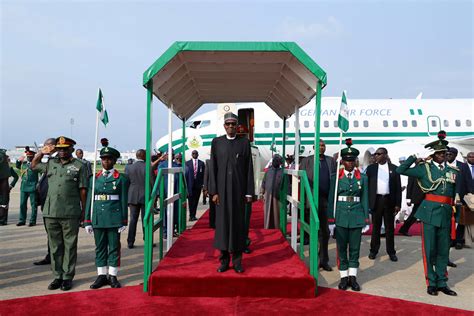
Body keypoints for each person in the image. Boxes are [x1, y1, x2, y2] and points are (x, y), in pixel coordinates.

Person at [396, 130, 459, 296]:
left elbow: (453, 194)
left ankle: (442, 282)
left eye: (444, 153)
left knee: (443, 250)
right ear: (433, 154)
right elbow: (400, 170)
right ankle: (431, 282)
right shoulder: (424, 169)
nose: (442, 156)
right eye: (438, 153)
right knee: (430, 250)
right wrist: (414, 157)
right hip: (430, 213)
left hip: (445, 214)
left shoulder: (452, 170)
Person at [31, 136, 88, 291]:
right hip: (51, 212)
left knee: (70, 246)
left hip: (70, 212)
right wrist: (42, 152)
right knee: (55, 246)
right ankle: (57, 276)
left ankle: (68, 277)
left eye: (65, 149)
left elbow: (83, 190)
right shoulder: (51, 163)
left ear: (71, 149)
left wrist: (84, 210)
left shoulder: (80, 165)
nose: (62, 152)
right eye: (59, 148)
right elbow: (34, 165)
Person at [209, 112, 254, 273]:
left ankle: (237, 262)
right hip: (221, 193)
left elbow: (249, 169)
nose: (230, 127)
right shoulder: (217, 142)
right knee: (222, 227)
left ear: (237, 126)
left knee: (238, 227)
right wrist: (213, 191)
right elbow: (212, 168)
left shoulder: (244, 143)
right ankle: (223, 261)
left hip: (238, 193)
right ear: (224, 126)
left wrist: (249, 192)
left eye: (233, 124)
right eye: (227, 124)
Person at [84, 146, 128, 289]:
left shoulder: (121, 179)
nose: (106, 162)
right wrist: (87, 220)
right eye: (103, 159)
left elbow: (123, 200)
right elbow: (90, 200)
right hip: (98, 217)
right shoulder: (94, 179)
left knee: (114, 247)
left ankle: (113, 275)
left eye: (109, 159)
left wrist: (124, 220)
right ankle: (101, 275)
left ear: (114, 161)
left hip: (114, 218)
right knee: (100, 247)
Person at [328, 138, 369, 291]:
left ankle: (353, 278)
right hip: (341, 216)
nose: (350, 163)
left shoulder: (363, 178)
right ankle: (343, 277)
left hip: (357, 216)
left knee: (355, 249)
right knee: (341, 248)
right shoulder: (336, 178)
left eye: (352, 161)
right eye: (347, 161)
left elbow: (365, 198)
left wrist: (366, 219)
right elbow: (332, 198)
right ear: (343, 162)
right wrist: (331, 220)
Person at [299, 139, 336, 271]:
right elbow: (301, 181)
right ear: (314, 147)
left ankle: (324, 260)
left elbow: (335, 180)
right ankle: (313, 260)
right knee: (313, 232)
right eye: (319, 146)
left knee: (325, 232)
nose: (321, 148)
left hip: (326, 201)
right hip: (311, 201)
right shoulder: (306, 161)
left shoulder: (331, 161)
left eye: (323, 145)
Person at [366, 147, 402, 262]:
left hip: (389, 201)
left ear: (385, 155)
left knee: (389, 228)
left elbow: (397, 188)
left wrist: (398, 204)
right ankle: (373, 250)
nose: (375, 156)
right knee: (375, 228)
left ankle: (391, 252)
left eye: (378, 154)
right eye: (375, 154)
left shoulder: (394, 168)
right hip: (376, 201)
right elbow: (366, 187)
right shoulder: (371, 169)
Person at [33, 138, 56, 265]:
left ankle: (56, 256)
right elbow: (34, 165)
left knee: (56, 233)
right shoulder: (50, 160)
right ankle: (51, 255)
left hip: (56, 204)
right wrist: (41, 153)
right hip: (46, 203)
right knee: (50, 232)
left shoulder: (57, 160)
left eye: (47, 146)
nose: (45, 148)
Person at [125, 149, 147, 249]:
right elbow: (151, 183)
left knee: (133, 220)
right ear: (143, 156)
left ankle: (130, 241)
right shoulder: (147, 167)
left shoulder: (129, 167)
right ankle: (147, 239)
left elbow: (127, 183)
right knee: (145, 219)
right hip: (145, 196)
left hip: (132, 196)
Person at [446, 147, 464, 249]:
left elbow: (465, 181)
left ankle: (458, 240)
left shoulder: (462, 166)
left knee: (459, 219)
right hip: (446, 199)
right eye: (447, 154)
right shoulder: (442, 165)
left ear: (455, 155)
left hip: (458, 198)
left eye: (450, 154)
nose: (448, 156)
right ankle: (449, 239)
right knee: (448, 219)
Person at [16, 147, 39, 226]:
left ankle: (32, 221)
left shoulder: (36, 164)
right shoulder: (24, 164)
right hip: (24, 187)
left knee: (33, 205)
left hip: (33, 186)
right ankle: (22, 220)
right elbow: (17, 165)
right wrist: (20, 158)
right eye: (28, 156)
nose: (29, 158)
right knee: (22, 204)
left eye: (30, 156)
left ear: (33, 156)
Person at [260, 154, 284, 229]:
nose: (275, 162)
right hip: (268, 195)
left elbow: (286, 185)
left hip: (278, 196)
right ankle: (267, 227)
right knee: (267, 211)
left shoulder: (282, 172)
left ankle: (276, 228)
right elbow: (264, 182)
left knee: (276, 212)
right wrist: (261, 192)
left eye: (277, 160)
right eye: (274, 160)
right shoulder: (268, 171)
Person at [185, 150, 205, 221]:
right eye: (193, 153)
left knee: (196, 201)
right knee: (190, 201)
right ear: (191, 154)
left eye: (196, 153)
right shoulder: (187, 163)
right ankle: (191, 215)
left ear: (198, 154)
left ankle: (194, 215)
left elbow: (203, 175)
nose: (194, 154)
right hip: (190, 185)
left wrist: (203, 184)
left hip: (198, 185)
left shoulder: (201, 163)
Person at [0, 151, 19, 225]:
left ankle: (3, 220)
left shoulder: (9, 168)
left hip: (5, 189)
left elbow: (16, 177)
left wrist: (11, 186)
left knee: (4, 204)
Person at [203, 158, 216, 228]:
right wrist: (205, 188)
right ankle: (212, 223)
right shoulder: (208, 162)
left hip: (221, 188)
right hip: (212, 189)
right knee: (212, 207)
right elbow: (206, 175)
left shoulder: (223, 160)